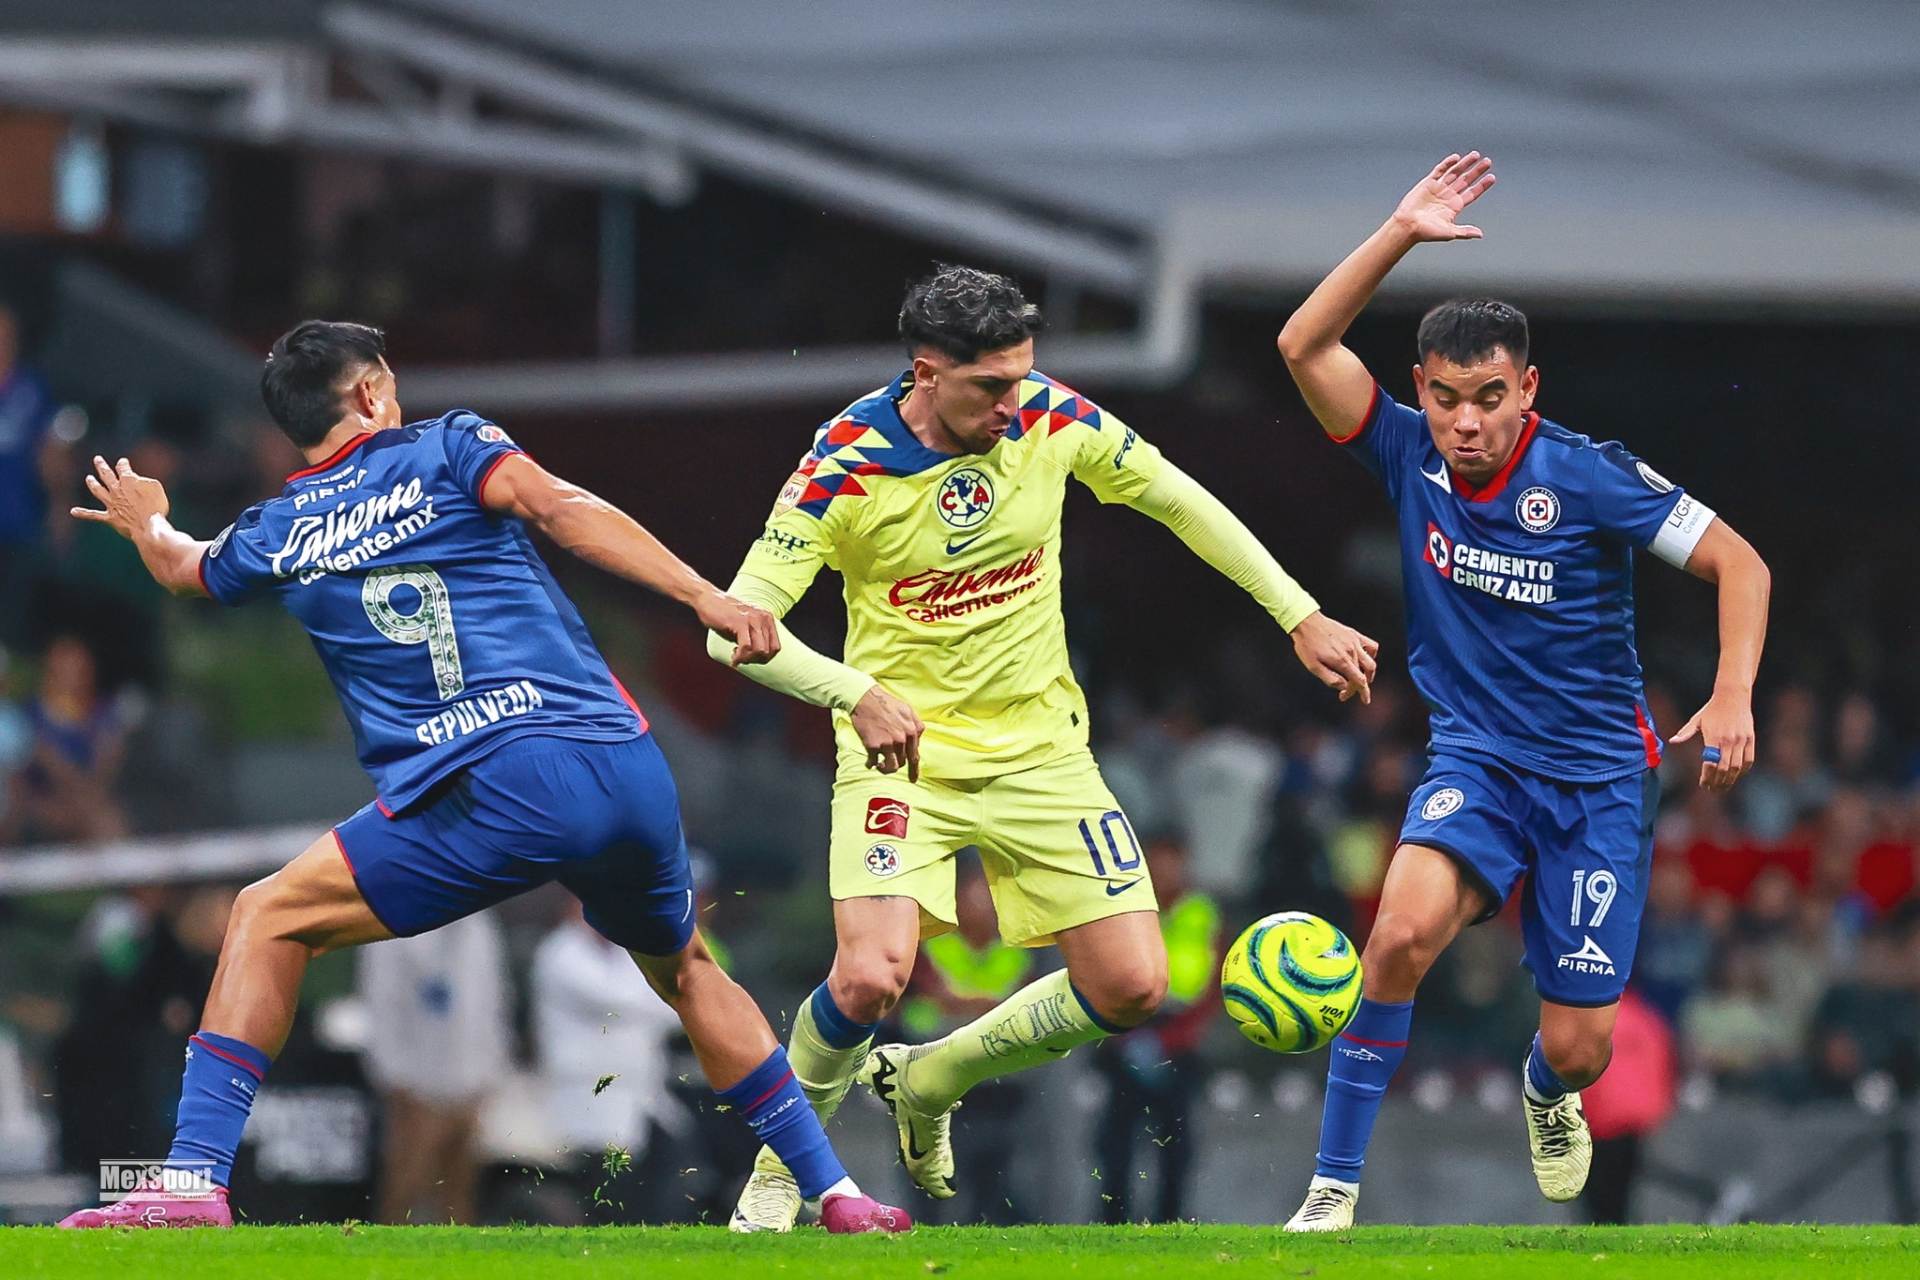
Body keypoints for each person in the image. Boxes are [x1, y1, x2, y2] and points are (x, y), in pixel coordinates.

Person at [55, 320, 909, 1233]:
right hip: (620, 764)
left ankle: (192, 1184)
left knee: (265, 916)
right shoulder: (451, 446)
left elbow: (180, 567)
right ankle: (838, 1194)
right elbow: (559, 507)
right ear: (371, 393)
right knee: (689, 970)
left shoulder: (277, 530)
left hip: (492, 789)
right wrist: (705, 595)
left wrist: (146, 515)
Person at [712, 264, 1379, 1231]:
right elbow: (733, 629)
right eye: (991, 385)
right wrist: (855, 693)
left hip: (1042, 755)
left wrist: (1299, 614)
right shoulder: (844, 466)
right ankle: (783, 1170)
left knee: (1134, 985)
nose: (1013, 402)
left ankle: (933, 1077)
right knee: (869, 976)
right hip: (904, 760)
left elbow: (1178, 499)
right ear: (926, 372)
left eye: (1022, 376)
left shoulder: (1050, 416)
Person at [1274, 153, 1772, 1230]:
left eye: (1490, 399)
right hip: (1479, 761)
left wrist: (1732, 691)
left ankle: (1548, 1092)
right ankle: (1332, 1189)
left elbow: (1743, 562)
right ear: (1421, 389)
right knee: (1397, 937)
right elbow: (1303, 345)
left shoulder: (1589, 476)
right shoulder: (1403, 452)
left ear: (1528, 390)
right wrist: (1399, 232)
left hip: (1599, 783)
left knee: (1582, 1047)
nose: (1466, 422)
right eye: (1446, 398)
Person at [1091, 836, 1219, 1224]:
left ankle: (1170, 1220)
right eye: (1156, 862)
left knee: (1176, 1142)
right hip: (1127, 1031)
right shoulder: (1122, 909)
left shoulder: (1201, 912)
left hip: (1178, 1039)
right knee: (1115, 1141)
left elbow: (1215, 983)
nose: (1164, 871)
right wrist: (1120, 1033)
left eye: (1171, 862)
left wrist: (1175, 1036)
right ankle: (1112, 1221)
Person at [357, 909, 510, 1225]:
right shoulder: (393, 923)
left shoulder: (479, 926)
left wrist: (491, 1075)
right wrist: (397, 1081)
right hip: (416, 1088)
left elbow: (493, 1005)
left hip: (470, 1085)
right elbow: (382, 1008)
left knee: (460, 1193)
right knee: (406, 1188)